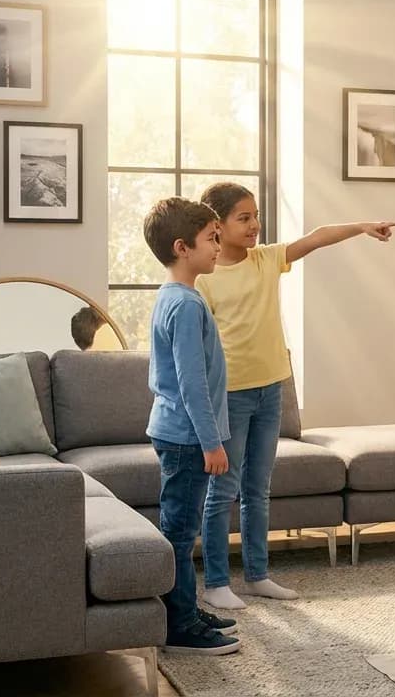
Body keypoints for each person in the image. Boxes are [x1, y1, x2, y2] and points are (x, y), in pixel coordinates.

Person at [195, 181, 395, 610]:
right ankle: (216, 582)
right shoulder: (206, 279)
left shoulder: (266, 259)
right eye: (244, 218)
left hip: (273, 387)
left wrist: (363, 226)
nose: (255, 225)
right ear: (217, 225)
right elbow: (200, 348)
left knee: (258, 489)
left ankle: (256, 576)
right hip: (230, 394)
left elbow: (318, 236)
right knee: (223, 491)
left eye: (256, 216)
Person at [141, 197, 241, 655]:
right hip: (186, 436)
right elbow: (191, 382)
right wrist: (211, 442)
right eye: (211, 239)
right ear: (183, 247)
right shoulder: (184, 305)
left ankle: (185, 609)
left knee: (181, 529)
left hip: (180, 433)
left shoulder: (178, 297)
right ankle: (179, 626)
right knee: (179, 534)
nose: (219, 247)